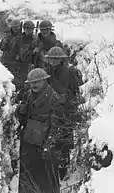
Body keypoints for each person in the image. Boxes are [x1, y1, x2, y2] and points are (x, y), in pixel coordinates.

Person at [15, 68, 66, 193]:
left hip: (45, 145)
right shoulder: (28, 95)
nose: (34, 85)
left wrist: (48, 144)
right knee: (27, 177)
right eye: (32, 82)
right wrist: (20, 110)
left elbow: (57, 125)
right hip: (29, 142)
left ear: (44, 81)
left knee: (47, 180)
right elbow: (23, 120)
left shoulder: (54, 99)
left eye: (37, 82)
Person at [44, 46, 84, 180]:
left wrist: (68, 101)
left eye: (56, 59)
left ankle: (63, 168)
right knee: (52, 139)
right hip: (52, 111)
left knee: (65, 140)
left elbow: (77, 90)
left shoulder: (70, 72)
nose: (53, 61)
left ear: (61, 59)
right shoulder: (47, 72)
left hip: (66, 110)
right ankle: (53, 167)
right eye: (51, 59)